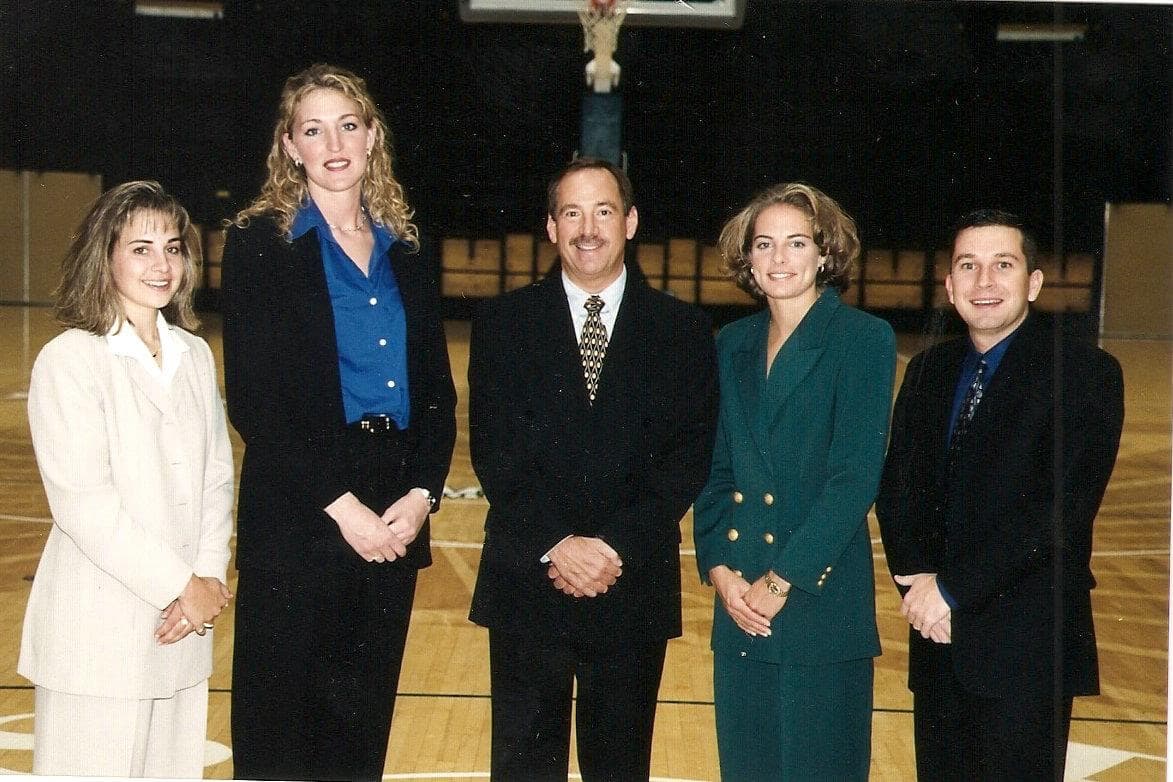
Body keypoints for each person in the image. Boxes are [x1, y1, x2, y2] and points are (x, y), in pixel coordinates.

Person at [222, 63, 456, 781]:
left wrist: (420, 496)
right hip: (302, 504)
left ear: (372, 137)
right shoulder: (259, 242)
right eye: (313, 128)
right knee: (277, 735)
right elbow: (254, 399)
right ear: (289, 145)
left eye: (347, 125)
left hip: (391, 507)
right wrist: (342, 507)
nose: (333, 143)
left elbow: (439, 395)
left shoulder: (405, 248)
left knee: (357, 738)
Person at [468, 156, 718, 781]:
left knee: (620, 768)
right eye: (571, 212)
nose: (588, 227)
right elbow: (494, 452)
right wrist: (559, 543)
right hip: (530, 576)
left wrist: (610, 546)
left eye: (603, 211)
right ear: (551, 228)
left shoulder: (683, 329)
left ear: (630, 222)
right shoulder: (501, 323)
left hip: (628, 582)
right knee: (523, 768)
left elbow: (686, 458)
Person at [876, 209, 1125, 780]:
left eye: (1002, 265)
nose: (984, 282)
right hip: (937, 639)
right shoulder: (928, 370)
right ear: (950, 285)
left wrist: (953, 591)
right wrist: (917, 584)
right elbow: (897, 490)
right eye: (969, 265)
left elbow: (1056, 514)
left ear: (1034, 283)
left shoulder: (1085, 373)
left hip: (1026, 649)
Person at [20, 180, 233, 777]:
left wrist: (209, 579)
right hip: (98, 633)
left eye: (173, 246)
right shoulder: (70, 358)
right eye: (140, 248)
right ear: (104, 255)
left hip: (182, 632)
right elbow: (84, 505)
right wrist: (180, 585)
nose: (162, 264)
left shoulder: (194, 356)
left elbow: (217, 479)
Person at [692, 182, 896, 780]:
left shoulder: (863, 339)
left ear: (824, 254)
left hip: (816, 603)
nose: (779, 259)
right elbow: (715, 470)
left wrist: (779, 582)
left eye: (796, 243)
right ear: (747, 260)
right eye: (764, 245)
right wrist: (721, 572)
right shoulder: (730, 344)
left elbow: (854, 479)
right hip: (739, 608)